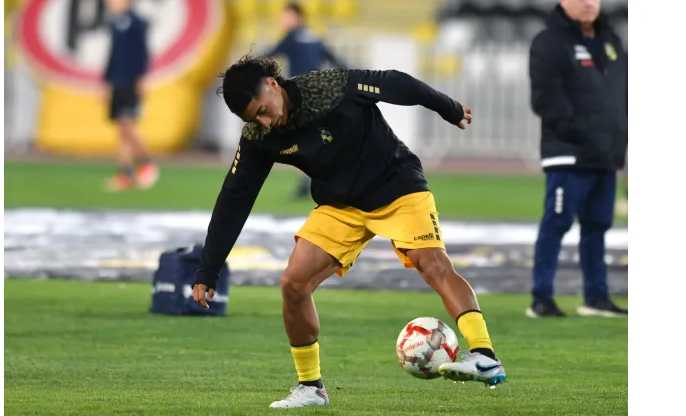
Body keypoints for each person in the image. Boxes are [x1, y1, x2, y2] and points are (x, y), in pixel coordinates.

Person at [191, 55, 506, 409]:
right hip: (340, 208)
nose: (266, 121)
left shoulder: (329, 89)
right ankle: (311, 387)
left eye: (264, 109)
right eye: (255, 118)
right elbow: (235, 196)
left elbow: (395, 81)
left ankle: (483, 355)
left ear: (273, 84)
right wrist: (209, 267)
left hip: (397, 187)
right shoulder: (259, 136)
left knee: (432, 264)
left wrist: (447, 108)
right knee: (293, 283)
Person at [527, 0, 627, 318]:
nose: (588, 3)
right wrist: (580, 132)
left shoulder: (611, 42)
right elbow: (545, 98)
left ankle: (595, 297)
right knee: (556, 224)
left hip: (605, 155)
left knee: (598, 226)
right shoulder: (550, 42)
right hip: (568, 154)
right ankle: (541, 299)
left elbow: (621, 95)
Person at [262, 2, 349, 200]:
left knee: (298, 139)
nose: (282, 21)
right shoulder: (315, 37)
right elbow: (336, 60)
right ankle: (318, 181)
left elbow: (268, 55)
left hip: (300, 96)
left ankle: (311, 182)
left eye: (286, 16)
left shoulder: (291, 38)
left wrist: (245, 68)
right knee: (316, 139)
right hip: (319, 94)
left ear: (297, 17)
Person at [102, 0, 159, 191]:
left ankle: (148, 163)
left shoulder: (137, 23)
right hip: (117, 82)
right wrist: (107, 82)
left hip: (131, 82)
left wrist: (142, 78)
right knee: (122, 129)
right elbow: (112, 56)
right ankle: (125, 173)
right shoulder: (116, 23)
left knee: (128, 124)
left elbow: (142, 53)